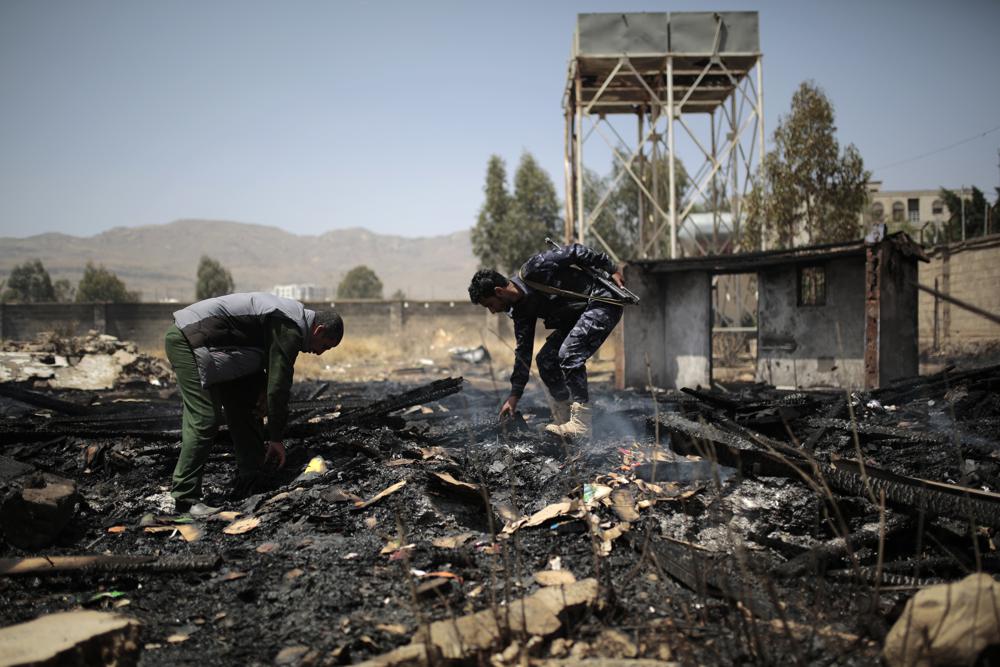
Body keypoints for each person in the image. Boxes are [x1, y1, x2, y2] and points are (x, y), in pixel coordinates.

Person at [164, 292, 343, 515]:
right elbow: (279, 385)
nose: (318, 353)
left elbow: (262, 361)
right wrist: (276, 438)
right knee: (204, 418)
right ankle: (185, 499)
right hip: (190, 339)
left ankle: (251, 479)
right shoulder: (289, 326)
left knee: (248, 407)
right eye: (324, 346)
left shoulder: (289, 321)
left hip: (225, 349)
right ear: (318, 330)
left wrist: (263, 391)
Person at [467, 242, 626, 439]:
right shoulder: (520, 311)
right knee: (546, 360)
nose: (492, 311)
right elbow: (523, 353)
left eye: (490, 304)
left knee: (570, 353)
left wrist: (612, 268)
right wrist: (514, 396)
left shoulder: (534, 269)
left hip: (602, 301)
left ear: (499, 291)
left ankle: (582, 424)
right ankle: (566, 416)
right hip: (579, 316)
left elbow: (576, 251)